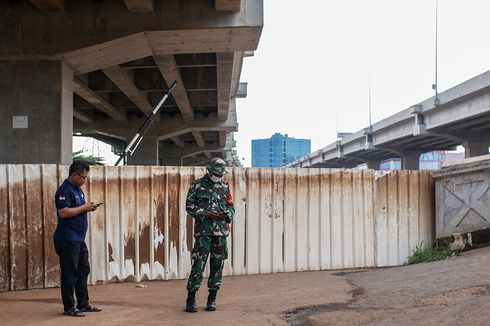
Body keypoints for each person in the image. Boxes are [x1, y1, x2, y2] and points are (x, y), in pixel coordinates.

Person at [185, 158, 235, 313]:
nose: (218, 176)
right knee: (198, 265)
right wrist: (207, 214)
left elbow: (231, 207)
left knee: (217, 265)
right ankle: (191, 298)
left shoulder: (225, 187)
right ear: (210, 170)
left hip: (220, 233)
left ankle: (212, 298)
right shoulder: (197, 185)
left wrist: (227, 214)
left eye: (221, 174)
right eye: (216, 173)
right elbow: (189, 206)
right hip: (204, 232)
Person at [53, 160, 102, 317]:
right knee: (69, 273)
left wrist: (88, 207)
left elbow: (78, 209)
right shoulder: (64, 190)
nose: (84, 180)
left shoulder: (78, 190)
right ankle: (69, 307)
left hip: (78, 239)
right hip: (67, 239)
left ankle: (83, 303)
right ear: (74, 174)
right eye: (83, 177)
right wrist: (84, 207)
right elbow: (64, 212)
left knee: (83, 271)